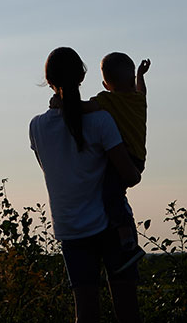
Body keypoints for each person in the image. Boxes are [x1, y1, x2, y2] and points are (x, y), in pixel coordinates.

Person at [30, 47, 143, 323]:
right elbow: (130, 176)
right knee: (127, 312)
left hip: (70, 229)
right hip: (111, 227)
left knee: (86, 314)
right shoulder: (101, 120)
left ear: (48, 81)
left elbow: (53, 171)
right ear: (82, 76)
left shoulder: (36, 127)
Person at [89, 53, 150, 258]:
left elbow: (86, 108)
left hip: (124, 159)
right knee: (115, 193)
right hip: (139, 159)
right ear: (132, 79)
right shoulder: (138, 100)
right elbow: (143, 90)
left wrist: (61, 103)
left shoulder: (108, 100)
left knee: (110, 195)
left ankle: (126, 238)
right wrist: (141, 75)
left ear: (106, 84)